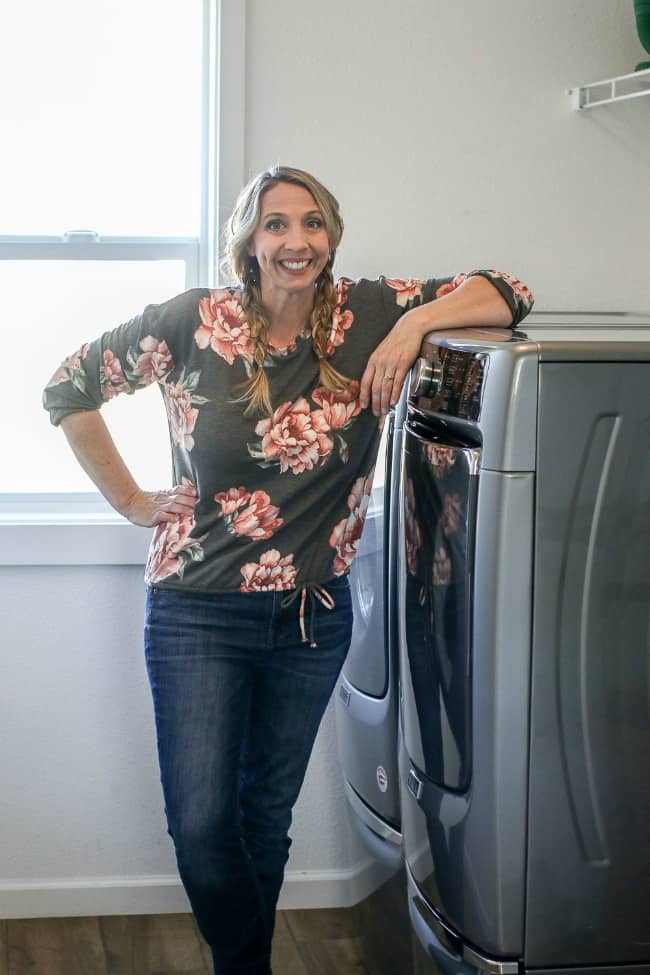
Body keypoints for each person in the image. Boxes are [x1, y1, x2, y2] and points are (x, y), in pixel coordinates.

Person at [43, 165, 534, 975]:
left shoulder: (369, 313)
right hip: (195, 610)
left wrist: (414, 330)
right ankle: (250, 964)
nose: (295, 241)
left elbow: (508, 289)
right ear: (249, 238)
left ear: (330, 236)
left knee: (265, 814)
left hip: (312, 617)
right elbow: (67, 387)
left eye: (311, 223)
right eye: (275, 224)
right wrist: (131, 497)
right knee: (202, 824)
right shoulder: (192, 321)